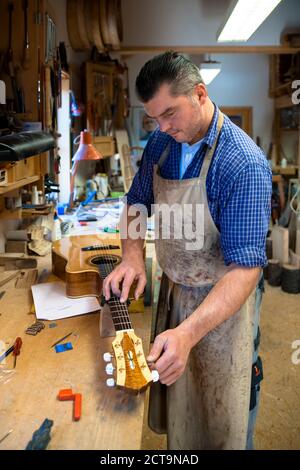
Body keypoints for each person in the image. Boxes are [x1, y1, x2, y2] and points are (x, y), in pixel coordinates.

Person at [103, 51, 272, 450]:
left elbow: (245, 270)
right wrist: (131, 255)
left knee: (219, 421)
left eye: (170, 114)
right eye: (155, 118)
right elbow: (136, 201)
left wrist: (190, 331)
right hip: (174, 292)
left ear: (199, 93)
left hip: (223, 306)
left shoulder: (242, 164)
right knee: (179, 408)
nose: (162, 127)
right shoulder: (163, 143)